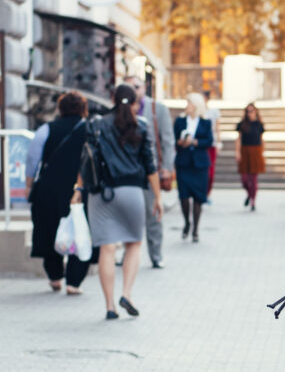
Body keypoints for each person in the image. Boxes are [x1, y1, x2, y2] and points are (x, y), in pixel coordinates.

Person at [71, 84, 161, 320]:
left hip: (102, 193)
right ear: (134, 103)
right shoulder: (141, 125)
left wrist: (78, 188)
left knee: (107, 249)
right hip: (132, 192)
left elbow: (85, 159)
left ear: (112, 98)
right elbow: (150, 166)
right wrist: (158, 197)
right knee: (133, 245)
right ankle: (127, 294)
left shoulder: (96, 124)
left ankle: (110, 306)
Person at [25, 90, 94, 294]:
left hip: (49, 188)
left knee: (48, 230)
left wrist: (29, 184)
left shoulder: (46, 129)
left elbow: (32, 159)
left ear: (60, 109)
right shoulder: (89, 130)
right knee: (80, 230)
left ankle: (55, 277)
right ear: (83, 109)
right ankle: (73, 282)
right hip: (79, 190)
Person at [125, 74, 174, 268]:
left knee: (153, 214)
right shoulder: (122, 110)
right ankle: (128, 253)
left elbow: (167, 140)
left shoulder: (157, 109)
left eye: (136, 87)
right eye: (128, 87)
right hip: (127, 173)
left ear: (144, 88)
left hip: (150, 172)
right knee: (128, 215)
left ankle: (156, 254)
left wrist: (168, 168)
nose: (133, 91)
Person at [174, 93, 214, 242]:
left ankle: (195, 229)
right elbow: (173, 139)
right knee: (183, 196)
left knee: (198, 197)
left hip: (199, 165)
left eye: (190, 104)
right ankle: (187, 223)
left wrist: (194, 142)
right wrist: (181, 142)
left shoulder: (205, 122)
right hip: (183, 164)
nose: (187, 106)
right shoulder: (179, 121)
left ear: (197, 106)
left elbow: (209, 141)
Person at [236, 103, 266, 211]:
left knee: (253, 178)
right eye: (248, 111)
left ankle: (253, 201)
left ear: (255, 111)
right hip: (245, 151)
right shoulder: (242, 124)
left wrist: (262, 152)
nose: (250, 113)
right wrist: (237, 152)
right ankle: (249, 194)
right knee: (244, 178)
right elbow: (239, 139)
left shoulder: (259, 124)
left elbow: (262, 139)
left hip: (256, 151)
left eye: (252, 111)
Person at [203, 90, 221, 203]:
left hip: (211, 144)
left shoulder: (213, 112)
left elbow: (217, 128)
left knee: (210, 171)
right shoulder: (197, 112)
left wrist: (219, 142)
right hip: (201, 145)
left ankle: (207, 193)